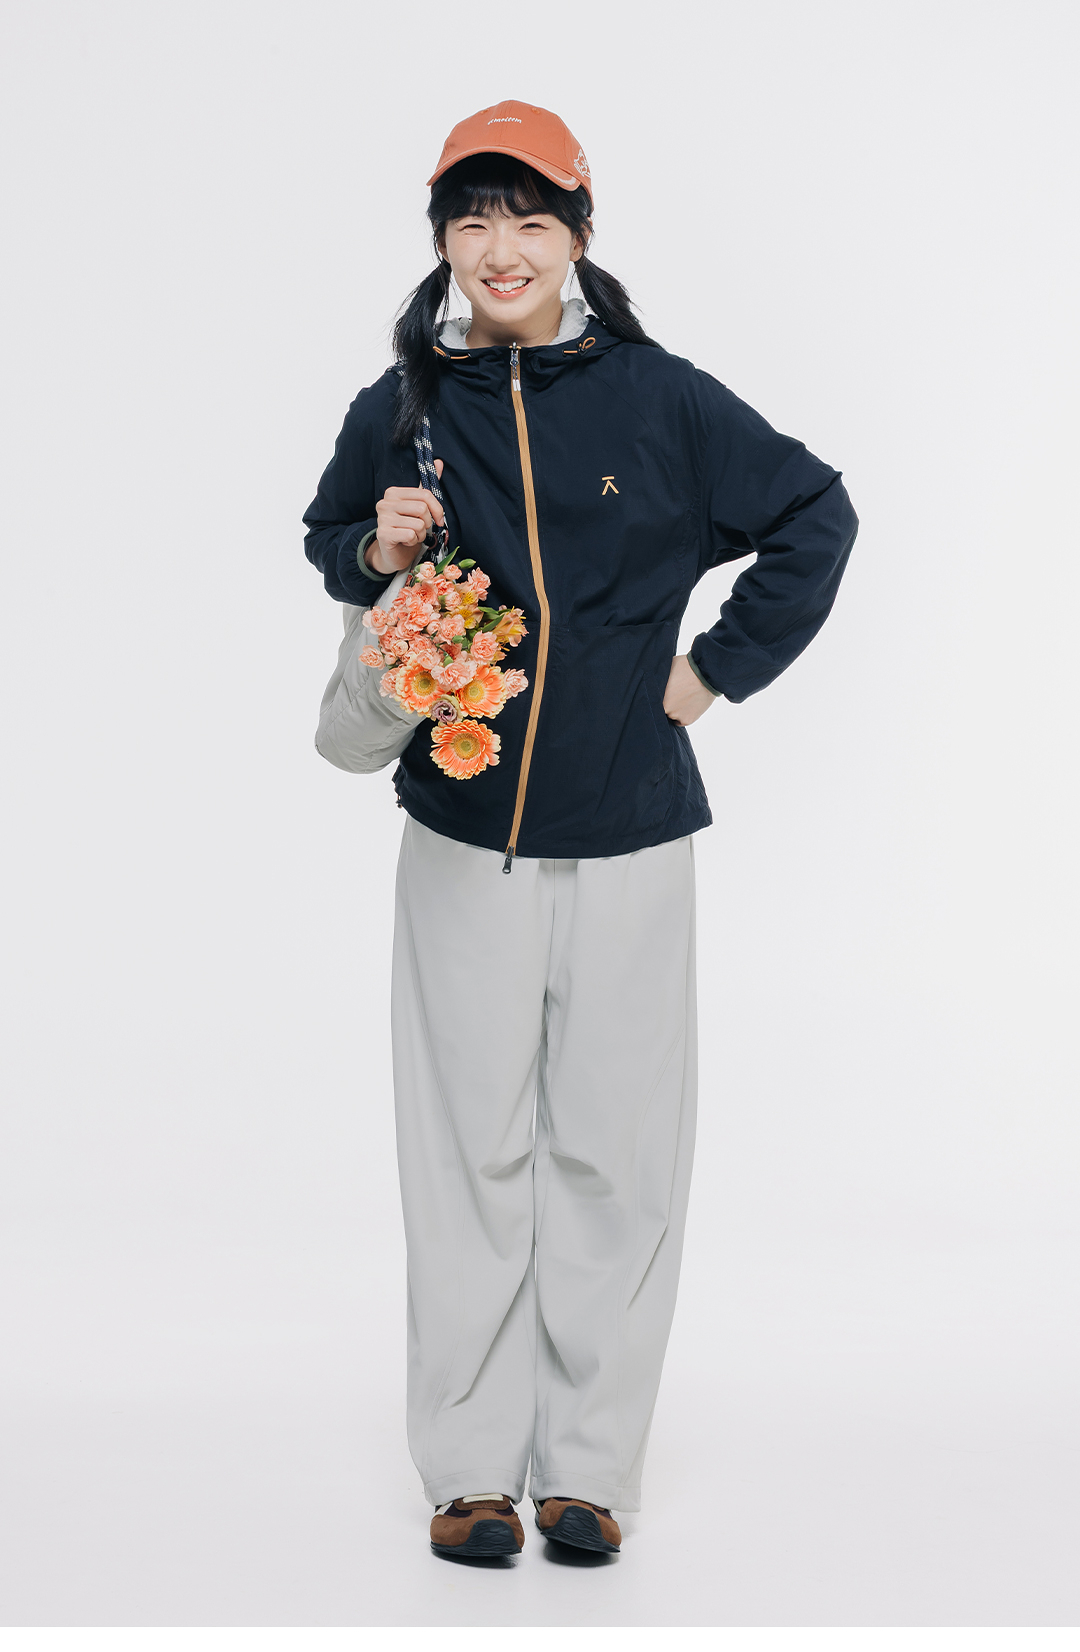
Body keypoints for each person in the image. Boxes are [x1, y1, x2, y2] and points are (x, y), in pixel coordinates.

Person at [303, 100, 858, 1561]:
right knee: (466, 1158)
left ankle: (588, 1472)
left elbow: (816, 514)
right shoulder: (403, 403)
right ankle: (470, 1473)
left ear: (579, 235)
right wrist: (376, 544)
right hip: (461, 836)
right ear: (443, 240)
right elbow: (327, 542)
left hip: (632, 834)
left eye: (531, 219)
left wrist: (712, 672)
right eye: (473, 220)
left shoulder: (662, 399)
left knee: (616, 1156)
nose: (501, 248)